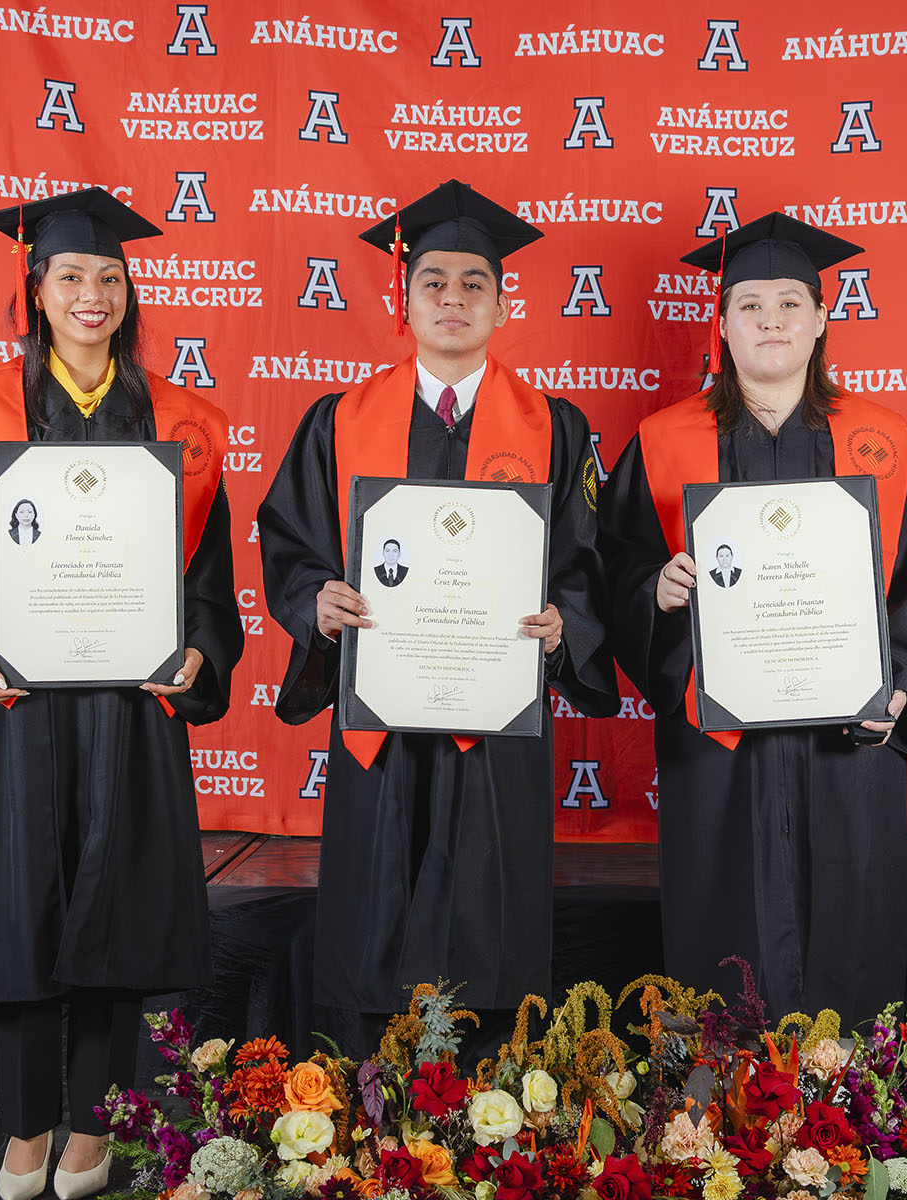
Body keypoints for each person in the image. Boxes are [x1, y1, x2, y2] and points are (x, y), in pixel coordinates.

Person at [0, 188, 243, 1200]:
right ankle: (23, 1128)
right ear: (35, 290)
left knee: (118, 908)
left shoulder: (187, 424)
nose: (93, 295)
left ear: (131, 293)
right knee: (23, 912)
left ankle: (94, 1124)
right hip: (22, 708)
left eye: (110, 277)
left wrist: (198, 655)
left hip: (132, 707)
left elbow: (208, 586)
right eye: (71, 277)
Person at [258, 180, 617, 1046]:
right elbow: (290, 540)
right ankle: (367, 1100)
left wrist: (566, 622)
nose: (453, 299)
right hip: (381, 715)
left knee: (490, 910)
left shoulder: (557, 429)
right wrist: (318, 601)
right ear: (404, 296)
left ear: (503, 301)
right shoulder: (338, 422)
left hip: (497, 726)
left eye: (473, 285)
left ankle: (496, 1104)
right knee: (374, 907)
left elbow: (586, 560)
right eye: (434, 283)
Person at [597, 213, 907, 1022]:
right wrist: (652, 591)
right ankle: (720, 1108)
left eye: (790, 302)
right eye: (750, 303)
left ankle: (849, 1100)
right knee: (721, 933)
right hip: (718, 745)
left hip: (849, 744)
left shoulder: (885, 441)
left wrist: (901, 688)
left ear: (823, 319)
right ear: (721, 323)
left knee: (851, 924)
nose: (770, 319)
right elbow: (610, 566)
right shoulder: (662, 442)